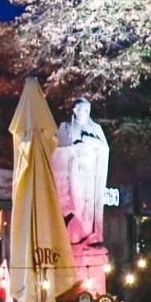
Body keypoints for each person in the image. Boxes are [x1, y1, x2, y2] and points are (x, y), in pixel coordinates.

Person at [53, 98, 110, 246]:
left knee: (89, 203)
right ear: (75, 110)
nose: (85, 112)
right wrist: (74, 149)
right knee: (75, 201)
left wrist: (89, 142)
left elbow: (104, 149)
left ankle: (88, 233)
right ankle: (75, 232)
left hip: (90, 171)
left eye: (87, 110)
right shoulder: (66, 127)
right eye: (81, 109)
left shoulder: (95, 128)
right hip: (73, 171)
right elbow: (57, 153)